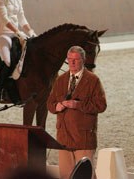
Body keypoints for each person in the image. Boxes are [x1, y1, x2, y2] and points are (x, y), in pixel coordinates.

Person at [47, 46, 107, 179]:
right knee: (65, 175)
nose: (72, 62)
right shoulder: (60, 80)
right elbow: (50, 104)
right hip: (64, 138)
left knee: (86, 175)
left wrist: (78, 105)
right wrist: (58, 106)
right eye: (69, 59)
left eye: (76, 59)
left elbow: (101, 105)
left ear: (83, 60)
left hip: (83, 137)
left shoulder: (93, 80)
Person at [0, 0, 36, 102]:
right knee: (8, 61)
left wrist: (30, 31)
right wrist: (18, 32)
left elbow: (22, 18)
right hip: (3, 34)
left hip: (17, 34)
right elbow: (5, 20)